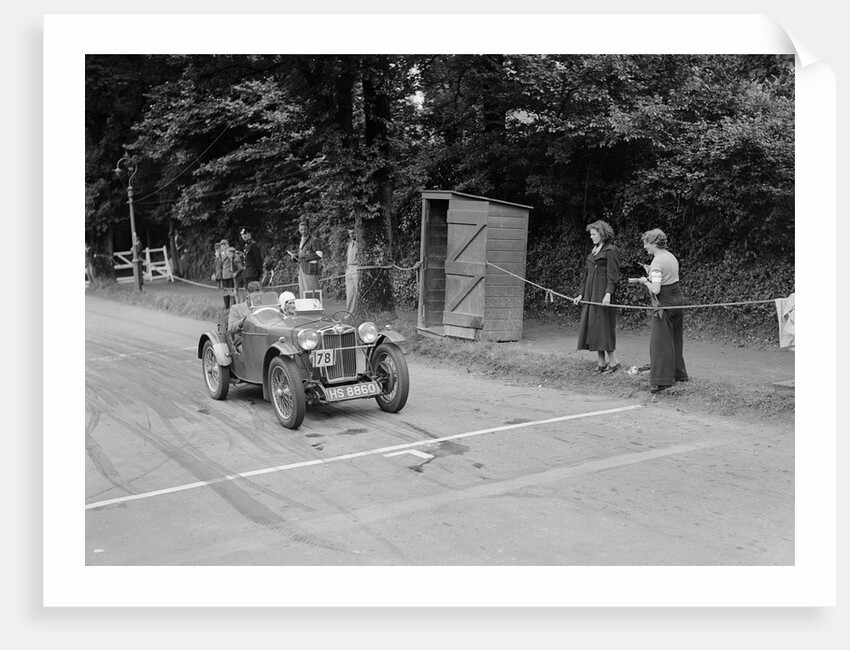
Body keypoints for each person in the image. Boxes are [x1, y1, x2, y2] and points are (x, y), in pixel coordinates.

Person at [637, 228, 689, 393]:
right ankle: (679, 374)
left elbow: (656, 289)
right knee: (675, 339)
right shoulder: (670, 256)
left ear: (654, 243)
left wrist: (645, 281)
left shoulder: (657, 262)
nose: (645, 246)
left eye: (646, 243)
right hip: (677, 300)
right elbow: (666, 277)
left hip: (665, 303)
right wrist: (651, 273)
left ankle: (662, 381)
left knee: (660, 342)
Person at [572, 220, 622, 373]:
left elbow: (613, 275)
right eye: (591, 234)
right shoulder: (592, 252)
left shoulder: (611, 250)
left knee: (604, 327)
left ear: (602, 234)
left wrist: (608, 293)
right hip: (590, 294)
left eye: (593, 234)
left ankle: (614, 363)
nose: (591, 237)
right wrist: (580, 294)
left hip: (602, 294)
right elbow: (585, 276)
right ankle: (601, 363)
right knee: (594, 327)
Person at [288, 218, 323, 298]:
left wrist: (303, 256)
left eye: (305, 229)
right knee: (303, 292)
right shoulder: (302, 240)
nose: (303, 231)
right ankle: (306, 309)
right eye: (301, 230)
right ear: (299, 230)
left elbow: (319, 255)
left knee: (312, 292)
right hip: (302, 269)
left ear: (308, 229)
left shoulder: (314, 240)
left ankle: (315, 309)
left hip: (310, 270)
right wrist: (295, 257)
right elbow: (301, 254)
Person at [228, 280, 263, 352]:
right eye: (255, 296)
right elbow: (230, 328)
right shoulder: (236, 308)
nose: (259, 299)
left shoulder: (265, 308)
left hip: (261, 338)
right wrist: (244, 321)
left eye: (260, 296)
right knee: (249, 351)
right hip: (242, 340)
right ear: (247, 295)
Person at [221, 245, 242, 309]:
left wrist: (236, 273)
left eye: (228, 254)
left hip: (238, 278)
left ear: (231, 253)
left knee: (236, 293)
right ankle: (235, 307)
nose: (228, 255)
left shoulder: (235, 259)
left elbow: (241, 268)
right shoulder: (233, 258)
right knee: (234, 293)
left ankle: (237, 307)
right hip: (235, 277)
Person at [345, 226, 359, 312]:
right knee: (350, 293)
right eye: (350, 233)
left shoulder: (360, 244)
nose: (351, 235)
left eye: (353, 233)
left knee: (358, 292)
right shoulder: (350, 244)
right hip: (349, 269)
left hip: (356, 268)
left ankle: (359, 312)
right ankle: (349, 314)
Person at [211, 241, 227, 309]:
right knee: (222, 290)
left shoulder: (223, 256)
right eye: (216, 249)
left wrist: (218, 258)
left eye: (218, 249)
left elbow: (221, 265)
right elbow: (215, 266)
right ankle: (225, 304)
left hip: (222, 275)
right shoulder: (216, 257)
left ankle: (227, 305)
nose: (217, 251)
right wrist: (214, 274)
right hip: (218, 275)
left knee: (225, 290)